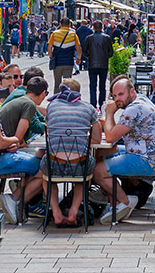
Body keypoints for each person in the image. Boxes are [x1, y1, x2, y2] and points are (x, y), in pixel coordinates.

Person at [0, 71, 44, 225]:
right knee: (45, 168)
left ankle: (18, 196)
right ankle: (15, 199)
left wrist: (8, 145)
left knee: (41, 163)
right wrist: (15, 140)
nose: (2, 88)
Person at [93, 77, 155, 224]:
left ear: (131, 92)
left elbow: (111, 136)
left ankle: (125, 201)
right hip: (147, 154)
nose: (117, 99)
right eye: (114, 96)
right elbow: (113, 132)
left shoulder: (134, 109)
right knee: (102, 153)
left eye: (121, 94)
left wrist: (110, 114)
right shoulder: (141, 100)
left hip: (147, 161)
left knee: (97, 170)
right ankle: (114, 204)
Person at [42, 82, 101, 226]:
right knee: (85, 175)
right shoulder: (89, 108)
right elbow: (97, 139)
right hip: (78, 164)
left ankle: (56, 211)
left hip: (54, 163)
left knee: (46, 176)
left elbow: (49, 132)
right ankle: (73, 211)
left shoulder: (52, 106)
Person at [0, 76, 48, 145]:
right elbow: (18, 139)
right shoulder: (29, 104)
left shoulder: (24, 100)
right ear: (43, 93)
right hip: (3, 147)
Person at [84, 20, 114, 107]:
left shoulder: (89, 38)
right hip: (103, 64)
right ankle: (102, 104)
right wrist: (105, 56)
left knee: (92, 86)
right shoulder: (107, 37)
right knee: (102, 86)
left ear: (93, 27)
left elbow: (85, 52)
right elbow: (111, 52)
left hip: (92, 64)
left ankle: (93, 105)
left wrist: (90, 56)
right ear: (102, 27)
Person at [48, 17, 82, 92]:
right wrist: (78, 58)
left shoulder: (54, 34)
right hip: (68, 62)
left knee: (57, 84)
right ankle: (66, 99)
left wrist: (51, 57)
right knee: (67, 84)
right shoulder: (73, 35)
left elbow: (49, 48)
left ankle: (56, 100)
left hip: (57, 62)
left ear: (60, 24)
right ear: (69, 25)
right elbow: (78, 48)